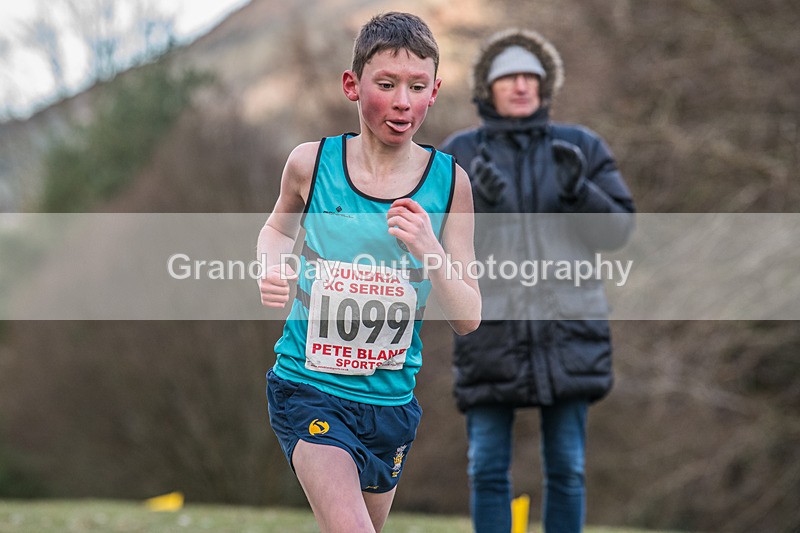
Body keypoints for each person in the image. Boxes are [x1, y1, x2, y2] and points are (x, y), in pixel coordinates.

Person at [257, 12, 481, 533]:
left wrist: (430, 250)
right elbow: (274, 231)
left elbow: (469, 316)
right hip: (308, 386)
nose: (403, 102)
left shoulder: (452, 186)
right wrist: (272, 267)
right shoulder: (311, 165)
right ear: (352, 86)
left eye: (417, 87)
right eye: (386, 84)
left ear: (435, 92)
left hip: (390, 405)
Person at [440, 29, 635, 533]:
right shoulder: (458, 151)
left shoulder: (582, 146)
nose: (522, 85)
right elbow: (434, 248)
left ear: (546, 85)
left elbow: (618, 231)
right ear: (488, 87)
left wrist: (578, 191)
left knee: (567, 469)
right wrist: (480, 205)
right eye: (510, 77)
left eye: (531, 76)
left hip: (571, 333)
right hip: (488, 334)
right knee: (485, 468)